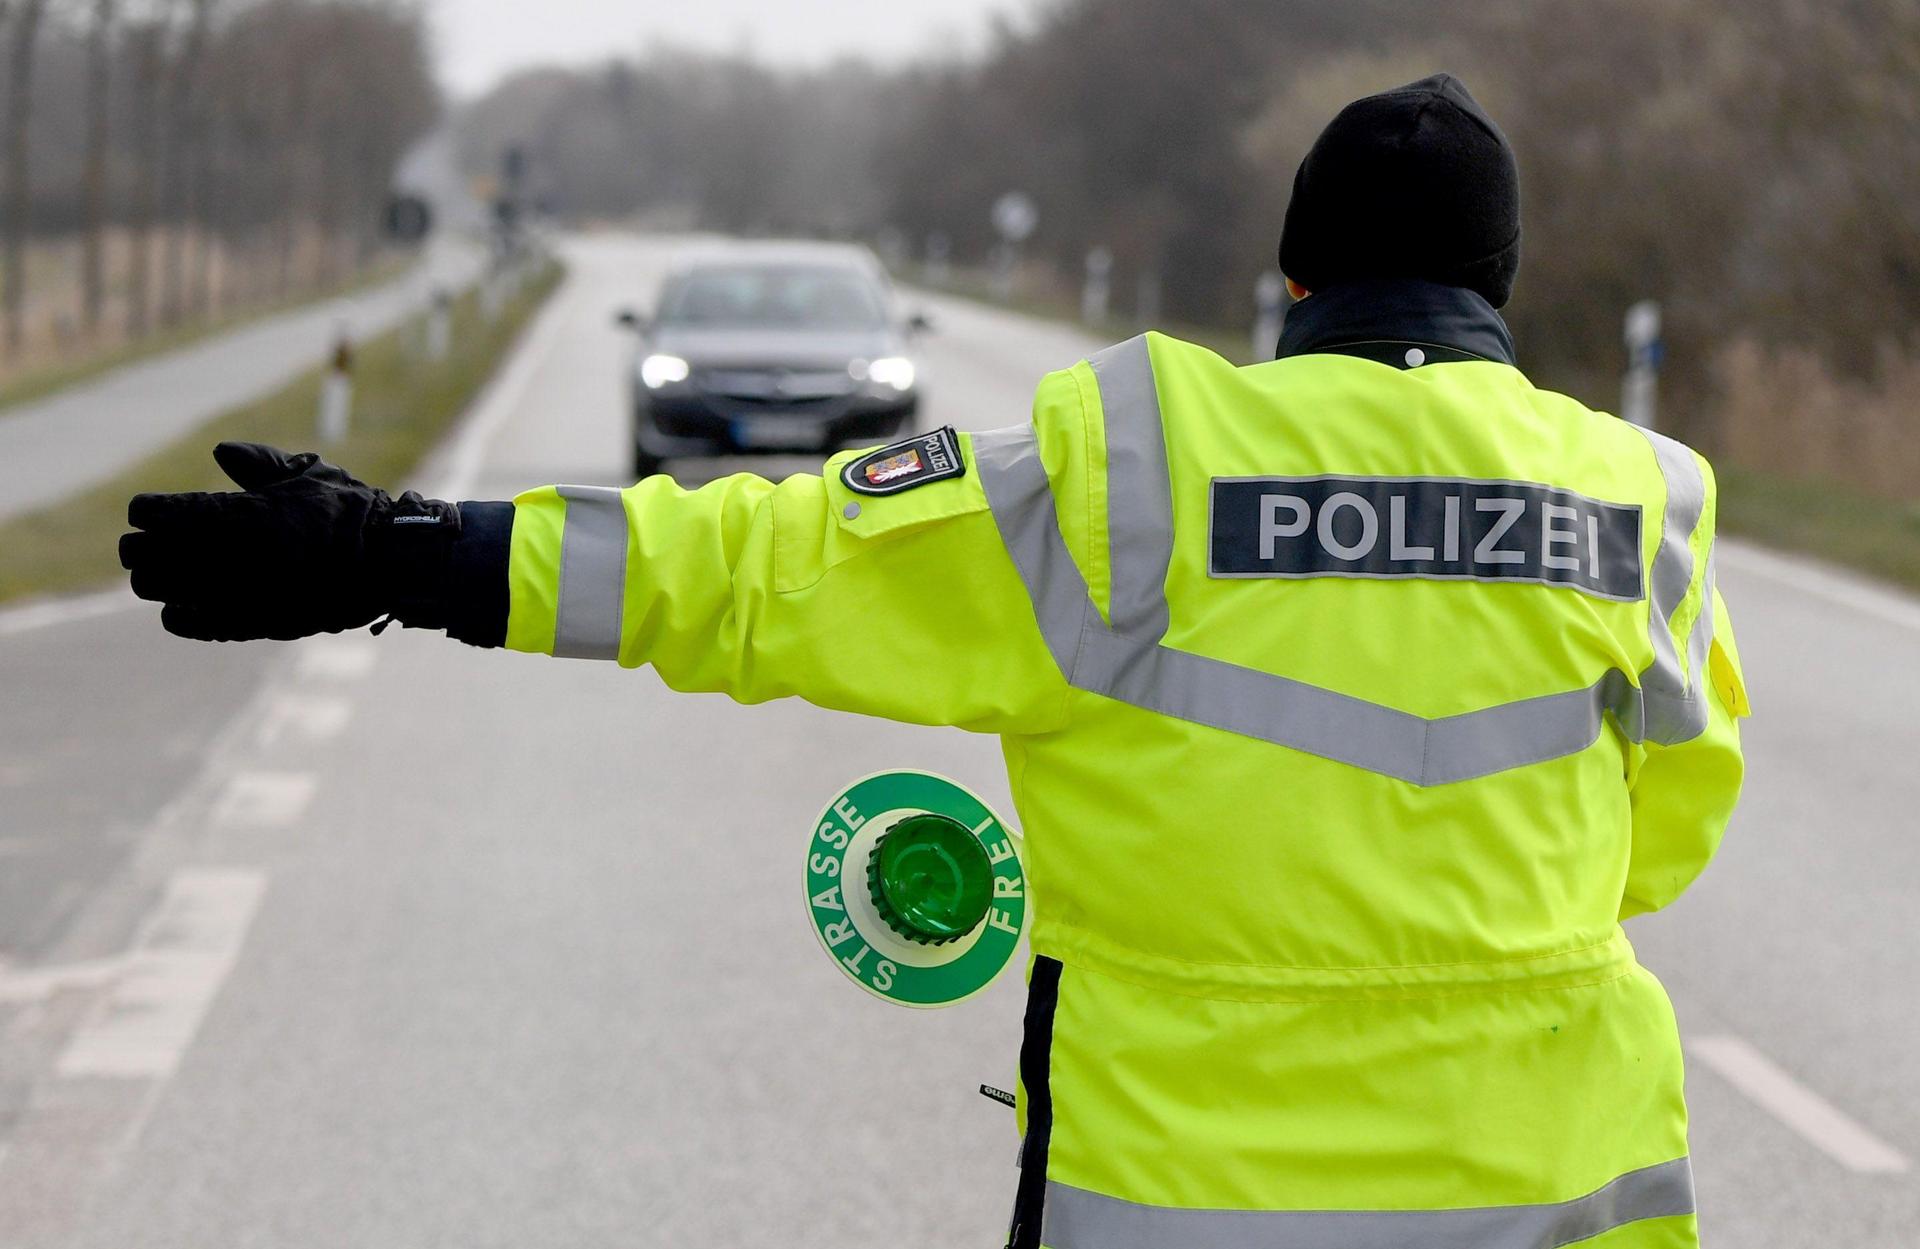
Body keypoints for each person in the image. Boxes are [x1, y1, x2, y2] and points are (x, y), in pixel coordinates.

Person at [120, 74, 1747, 1249]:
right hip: (1564, 1185)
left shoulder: (1141, 464)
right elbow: (1669, 840)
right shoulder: (1640, 496)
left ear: (1294, 286)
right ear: (1500, 300)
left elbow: (758, 566)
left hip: (1190, 1201)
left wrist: (399, 554)